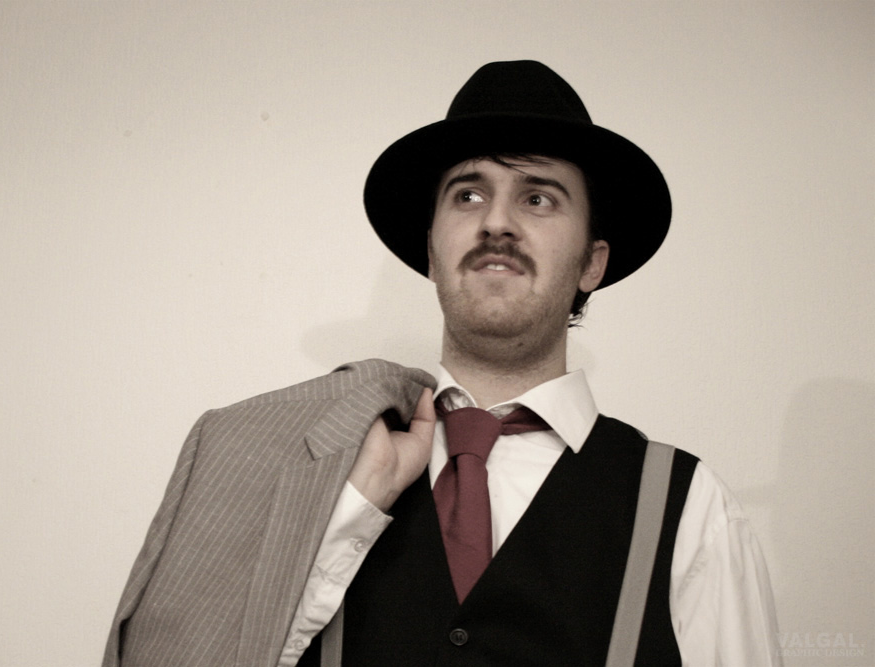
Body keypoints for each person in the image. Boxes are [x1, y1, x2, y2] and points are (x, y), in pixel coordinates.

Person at [103, 61, 781, 666]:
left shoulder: (692, 511)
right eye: (468, 194)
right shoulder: (319, 468)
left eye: (538, 197)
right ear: (431, 250)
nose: (497, 222)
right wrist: (350, 510)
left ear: (592, 263)